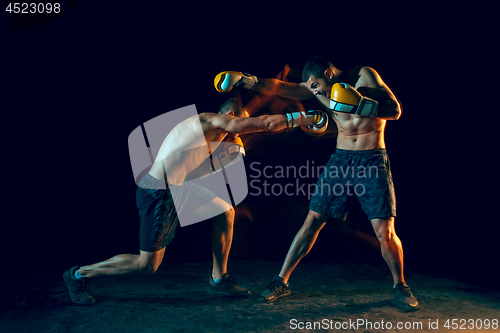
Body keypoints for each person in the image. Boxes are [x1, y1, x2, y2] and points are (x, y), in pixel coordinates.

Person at [63, 98, 327, 305]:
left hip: (177, 187)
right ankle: (78, 274)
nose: (239, 132)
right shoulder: (210, 120)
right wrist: (301, 118)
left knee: (226, 211)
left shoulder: (207, 136)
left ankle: (218, 279)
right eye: (240, 125)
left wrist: (221, 160)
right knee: (148, 266)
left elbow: (192, 171)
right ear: (231, 116)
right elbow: (266, 124)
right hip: (158, 192)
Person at [214, 56, 419, 311]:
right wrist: (246, 80)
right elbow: (278, 87)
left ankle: (400, 286)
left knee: (383, 231)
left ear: (328, 74)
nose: (316, 92)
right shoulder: (314, 88)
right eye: (311, 87)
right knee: (312, 221)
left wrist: (363, 105)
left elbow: (395, 110)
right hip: (341, 160)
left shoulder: (364, 76)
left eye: (317, 85)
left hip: (372, 160)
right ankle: (281, 281)